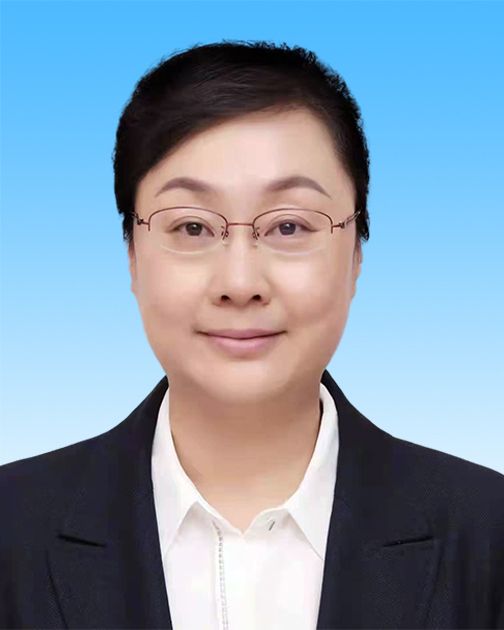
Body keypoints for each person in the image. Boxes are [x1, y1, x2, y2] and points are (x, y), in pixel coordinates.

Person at [1, 40, 503, 630]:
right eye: (192, 227)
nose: (240, 284)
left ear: (357, 254)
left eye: (289, 226)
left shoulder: (486, 536)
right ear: (132, 255)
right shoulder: (13, 529)